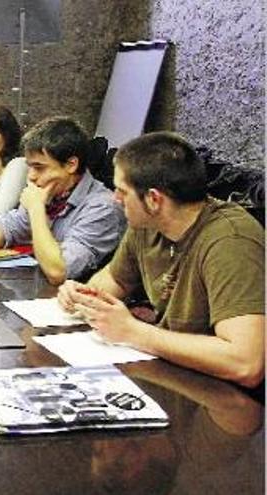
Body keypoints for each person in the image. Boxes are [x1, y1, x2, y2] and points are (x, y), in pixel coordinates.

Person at [57, 132, 264, 388]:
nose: (115, 199)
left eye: (122, 191)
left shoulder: (231, 240)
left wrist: (133, 332)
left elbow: (245, 363)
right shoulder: (146, 224)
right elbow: (113, 279)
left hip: (225, 397)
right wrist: (82, 295)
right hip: (175, 372)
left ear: (154, 200)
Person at [0, 116, 125, 284]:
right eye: (30, 167)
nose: (30, 177)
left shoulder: (103, 208)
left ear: (71, 165)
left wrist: (37, 209)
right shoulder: (53, 192)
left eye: (39, 168)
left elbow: (59, 271)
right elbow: (10, 226)